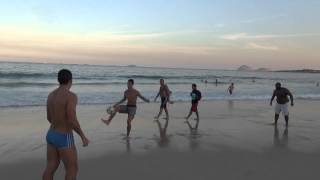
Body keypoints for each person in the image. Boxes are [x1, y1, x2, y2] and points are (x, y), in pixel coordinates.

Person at [43, 69, 89, 180]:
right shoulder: (71, 96)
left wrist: (58, 124)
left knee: (51, 166)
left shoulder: (51, 95)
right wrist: (83, 136)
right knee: (72, 169)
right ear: (70, 80)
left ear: (58, 80)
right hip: (64, 137)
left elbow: (49, 117)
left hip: (51, 134)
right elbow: (72, 119)